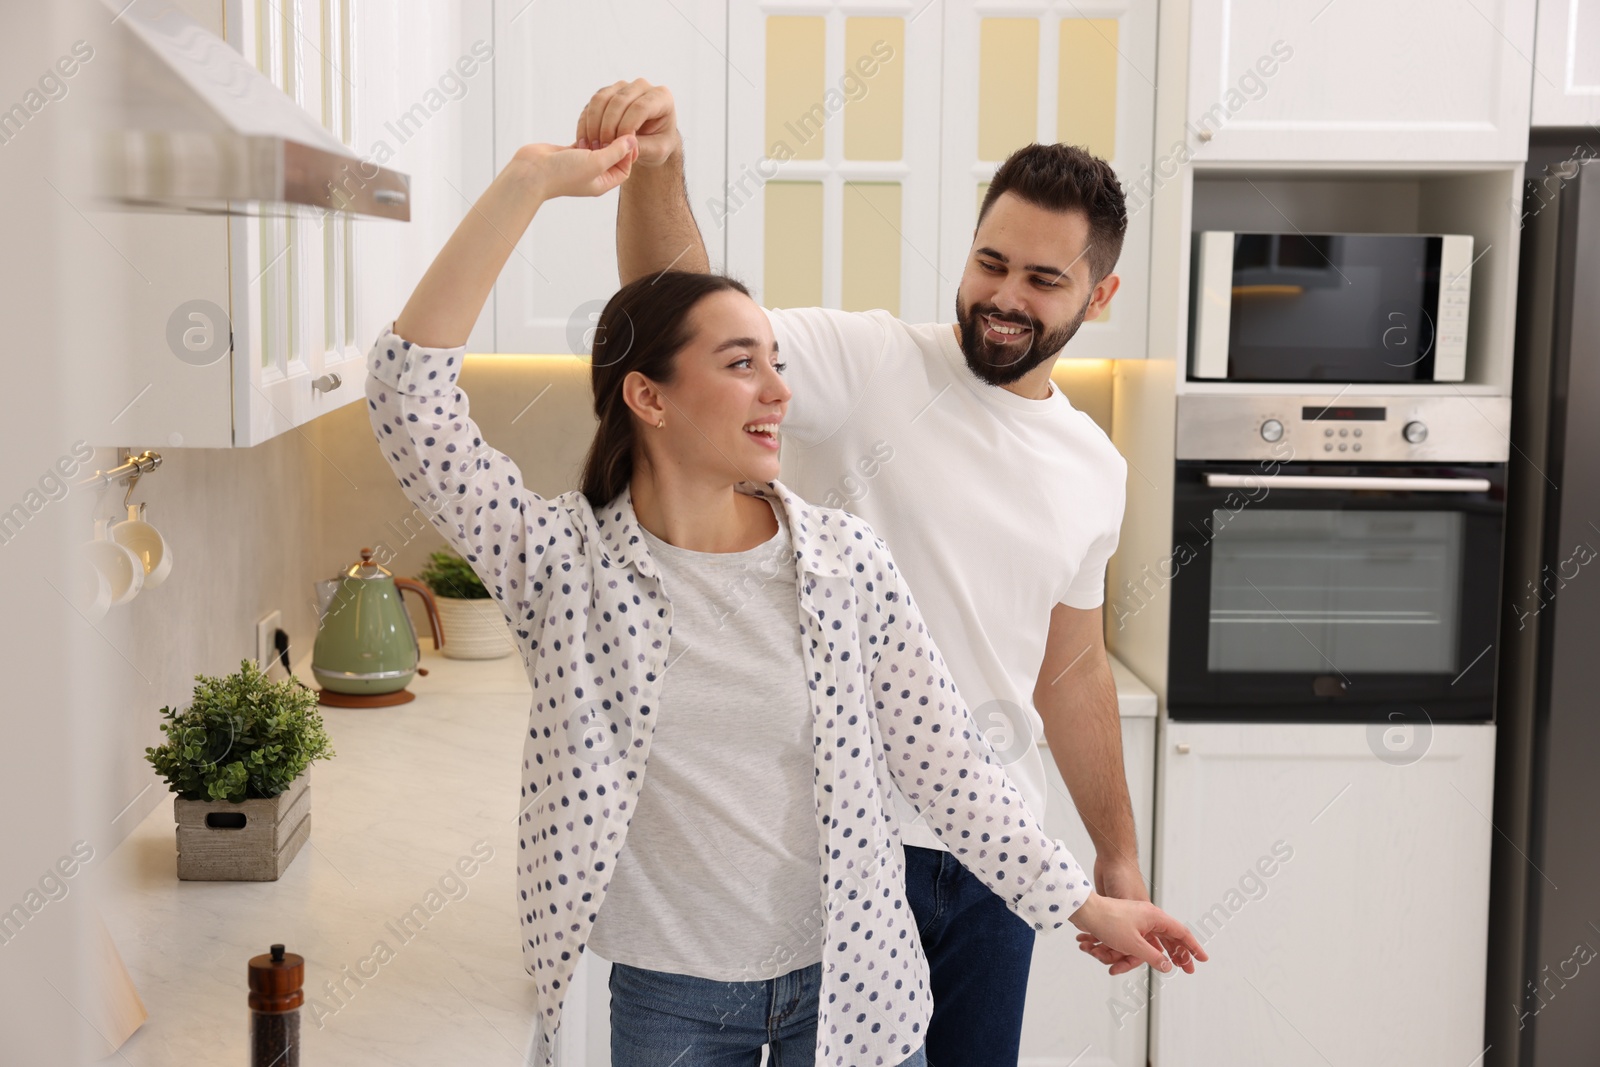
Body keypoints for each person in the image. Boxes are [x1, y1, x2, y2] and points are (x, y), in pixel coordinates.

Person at [364, 133, 1205, 1067]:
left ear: (1096, 294)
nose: (781, 389)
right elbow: (413, 405)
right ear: (648, 395)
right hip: (670, 990)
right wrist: (530, 180)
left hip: (851, 971)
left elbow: (952, 766)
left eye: (776, 360)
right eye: (744, 365)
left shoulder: (844, 563)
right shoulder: (565, 567)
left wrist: (1092, 894)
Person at [585, 79, 1167, 1064]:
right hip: (837, 840)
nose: (1005, 297)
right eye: (990, 261)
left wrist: (1114, 853)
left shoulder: (1093, 467)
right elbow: (678, 316)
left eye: (1042, 279)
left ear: (1099, 296)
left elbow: (1070, 668)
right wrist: (661, 169)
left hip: (993, 858)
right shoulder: (866, 364)